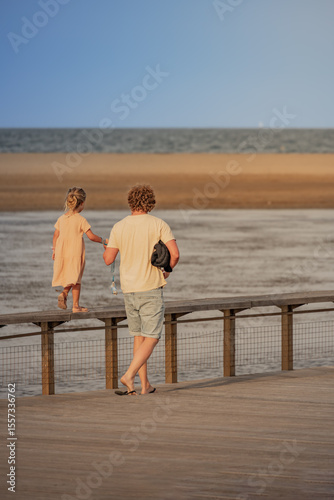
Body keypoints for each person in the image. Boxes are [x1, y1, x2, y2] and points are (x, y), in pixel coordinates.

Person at [103, 184, 179, 395]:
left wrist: (107, 247)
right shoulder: (159, 224)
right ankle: (128, 375)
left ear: (131, 202)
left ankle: (144, 385)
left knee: (139, 336)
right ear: (150, 203)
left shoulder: (119, 226)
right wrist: (168, 270)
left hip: (129, 290)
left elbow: (108, 258)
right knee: (152, 336)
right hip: (150, 288)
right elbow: (175, 254)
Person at [52, 187, 107, 312]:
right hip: (75, 253)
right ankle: (74, 304)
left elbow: (55, 236)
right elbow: (91, 237)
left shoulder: (61, 218)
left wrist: (54, 250)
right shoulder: (81, 220)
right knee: (76, 279)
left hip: (61, 253)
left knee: (70, 276)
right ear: (81, 203)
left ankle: (65, 294)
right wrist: (104, 241)